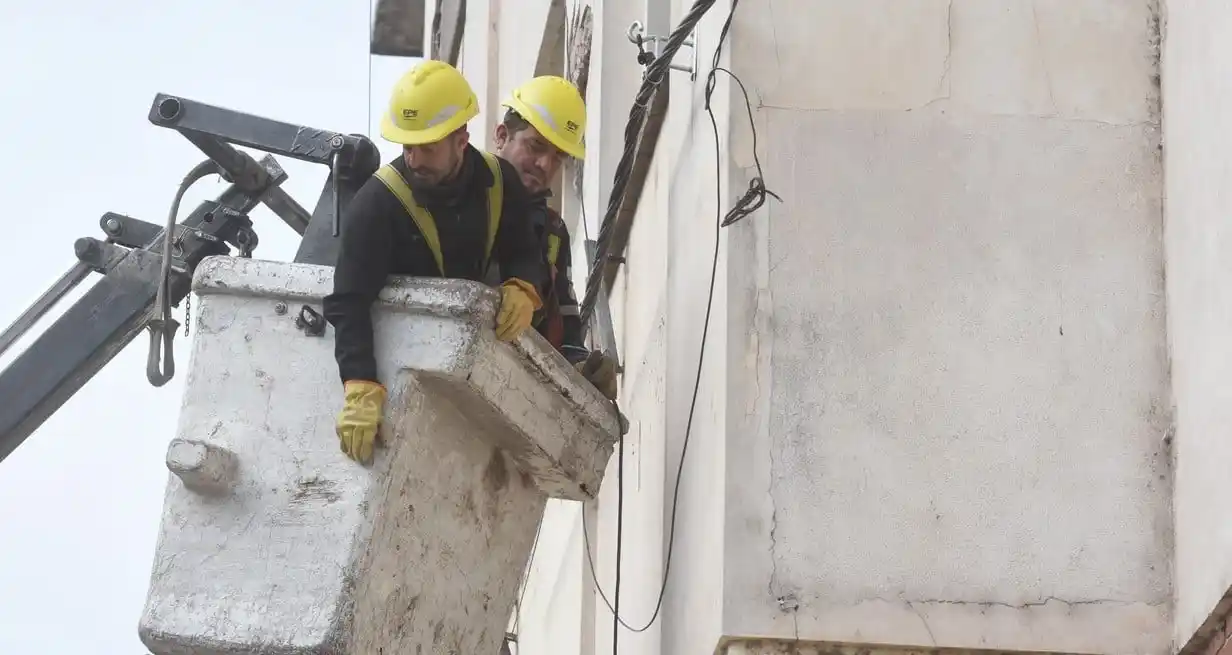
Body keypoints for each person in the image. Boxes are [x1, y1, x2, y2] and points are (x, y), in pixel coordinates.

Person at [324, 60, 547, 464]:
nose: (413, 159)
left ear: (461, 140)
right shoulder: (377, 204)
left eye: (427, 147)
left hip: (470, 369)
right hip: (398, 364)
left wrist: (523, 286)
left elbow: (525, 251)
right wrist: (359, 384)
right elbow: (348, 301)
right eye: (407, 147)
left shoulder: (500, 182)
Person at [492, 75, 618, 402]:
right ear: (502, 136)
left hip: (516, 392)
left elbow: (565, 333)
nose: (545, 164)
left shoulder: (552, 231)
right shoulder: (463, 198)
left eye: (559, 156)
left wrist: (582, 370)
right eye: (536, 146)